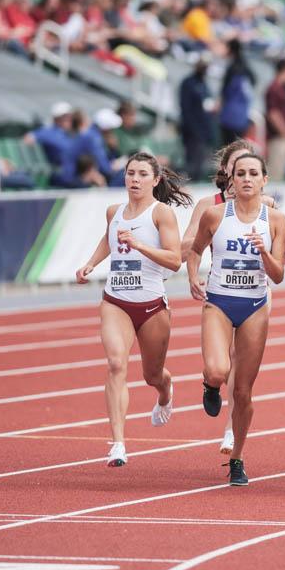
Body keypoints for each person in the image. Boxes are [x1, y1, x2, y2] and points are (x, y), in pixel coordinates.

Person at [74, 152, 190, 467]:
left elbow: (174, 260)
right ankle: (118, 444)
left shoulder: (161, 214)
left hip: (152, 305)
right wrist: (91, 263)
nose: (134, 179)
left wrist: (140, 246)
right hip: (116, 300)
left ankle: (165, 392)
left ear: (156, 179)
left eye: (141, 174)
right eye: (130, 173)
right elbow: (108, 239)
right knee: (115, 364)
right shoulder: (114, 211)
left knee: (152, 374)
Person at [189, 153, 285, 486]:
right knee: (219, 370)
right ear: (231, 179)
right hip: (218, 302)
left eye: (253, 174)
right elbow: (195, 250)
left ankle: (237, 458)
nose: (246, 179)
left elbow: (277, 276)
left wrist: (263, 251)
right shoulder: (216, 215)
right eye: (240, 173)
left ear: (264, 180)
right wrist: (193, 277)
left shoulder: (275, 220)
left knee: (244, 392)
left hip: (255, 306)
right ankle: (209, 384)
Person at [178, 58, 215, 181]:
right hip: (192, 130)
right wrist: (193, 130)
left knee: (201, 163)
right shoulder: (188, 83)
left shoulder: (203, 83)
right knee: (192, 163)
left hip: (204, 129)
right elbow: (186, 109)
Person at [264, 58, 285, 181]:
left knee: (280, 169)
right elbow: (273, 112)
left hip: (281, 135)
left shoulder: (281, 88)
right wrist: (284, 131)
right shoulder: (274, 88)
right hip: (277, 136)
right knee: (276, 171)